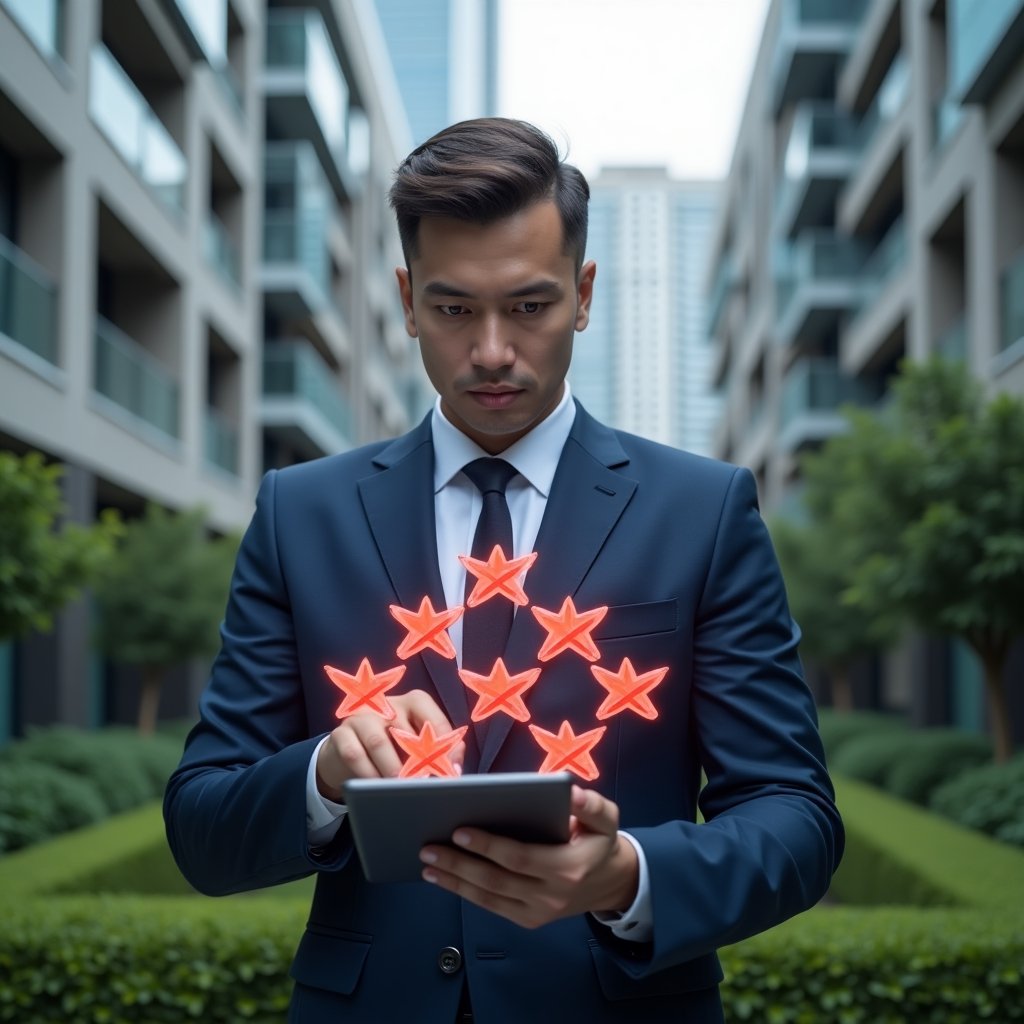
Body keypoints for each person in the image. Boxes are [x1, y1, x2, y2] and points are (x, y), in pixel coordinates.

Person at [164, 117, 843, 1024]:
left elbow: (794, 812)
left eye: (529, 307)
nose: (490, 350)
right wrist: (326, 773)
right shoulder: (301, 513)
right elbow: (204, 829)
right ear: (407, 302)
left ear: (585, 292)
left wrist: (628, 877)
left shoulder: (703, 511)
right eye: (453, 311)